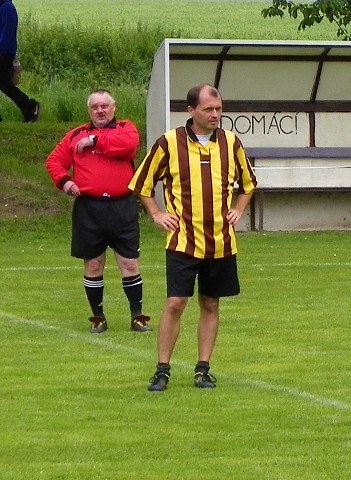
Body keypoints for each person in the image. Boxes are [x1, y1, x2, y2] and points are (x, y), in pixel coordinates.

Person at [129, 84, 257, 392]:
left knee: (210, 303)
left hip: (221, 242)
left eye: (218, 109)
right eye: (208, 110)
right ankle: (162, 370)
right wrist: (156, 213)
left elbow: (248, 184)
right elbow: (141, 184)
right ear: (191, 111)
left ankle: (203, 369)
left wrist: (238, 209)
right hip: (183, 241)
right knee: (175, 302)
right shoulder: (169, 143)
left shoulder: (230, 142)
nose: (215, 115)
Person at [45, 89, 151, 334]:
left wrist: (95, 141)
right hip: (89, 208)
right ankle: (98, 318)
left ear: (114, 108)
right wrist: (65, 181)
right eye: (95, 107)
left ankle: (138, 317)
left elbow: (129, 145)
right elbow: (54, 161)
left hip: (122, 206)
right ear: (89, 111)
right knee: (93, 265)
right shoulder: (75, 135)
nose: (100, 111)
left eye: (105, 106)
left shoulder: (126, 128)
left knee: (129, 263)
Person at [0, 0, 39, 122]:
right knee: (4, 84)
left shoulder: (7, 7)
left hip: (4, 52)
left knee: (4, 84)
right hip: (3, 51)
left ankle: (30, 106)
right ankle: (29, 107)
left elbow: (8, 34)